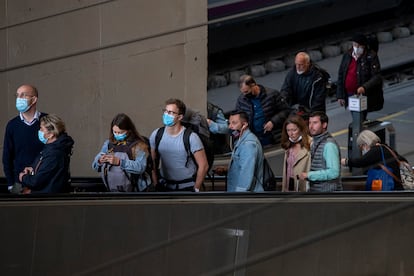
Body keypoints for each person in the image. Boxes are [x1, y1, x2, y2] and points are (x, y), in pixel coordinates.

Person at [150, 98, 209, 192]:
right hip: (164, 186)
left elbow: (204, 165)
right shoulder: (156, 135)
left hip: (187, 187)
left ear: (180, 117)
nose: (166, 114)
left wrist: (196, 188)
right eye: (165, 111)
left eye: (171, 112)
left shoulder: (191, 137)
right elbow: (152, 163)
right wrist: (156, 183)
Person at [2, 84, 47, 194]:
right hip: (19, 182)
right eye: (17, 95)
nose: (19, 98)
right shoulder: (12, 125)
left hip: (43, 181)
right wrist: (11, 184)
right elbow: (7, 157)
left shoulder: (47, 122)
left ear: (34, 99)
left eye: (23, 95)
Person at [92, 113, 151, 192]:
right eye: (114, 132)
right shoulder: (108, 144)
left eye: (120, 132)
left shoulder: (139, 145)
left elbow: (140, 167)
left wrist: (120, 162)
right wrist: (99, 160)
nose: (117, 135)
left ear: (128, 131)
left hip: (135, 191)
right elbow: (95, 166)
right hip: (112, 190)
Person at [18, 114, 74, 194]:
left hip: (47, 199)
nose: (39, 131)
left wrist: (23, 177)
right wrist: (33, 169)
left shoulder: (54, 154)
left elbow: (37, 181)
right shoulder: (50, 149)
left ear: (51, 134)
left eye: (41, 129)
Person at [336, 33, 383, 121]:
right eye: (354, 45)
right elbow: (341, 75)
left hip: (361, 95)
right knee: (357, 118)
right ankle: (360, 130)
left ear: (364, 46)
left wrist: (364, 87)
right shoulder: (347, 55)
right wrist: (340, 95)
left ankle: (360, 132)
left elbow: (377, 77)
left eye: (359, 45)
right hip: (349, 93)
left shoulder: (370, 56)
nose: (356, 47)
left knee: (359, 119)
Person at [341, 130, 406, 190]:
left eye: (361, 147)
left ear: (365, 144)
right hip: (397, 186)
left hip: (390, 188)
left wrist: (346, 161)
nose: (362, 150)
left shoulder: (375, 151)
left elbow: (361, 161)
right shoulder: (386, 148)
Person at [235, 74, 290, 146]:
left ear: (253, 85)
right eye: (242, 92)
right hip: (255, 139)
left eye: (246, 91)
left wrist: (273, 122)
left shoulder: (272, 94)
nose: (244, 94)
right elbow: (239, 117)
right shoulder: (241, 100)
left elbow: (286, 111)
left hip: (274, 136)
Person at [299, 111, 342, 192]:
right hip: (317, 191)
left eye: (315, 123)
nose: (311, 126)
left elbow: (333, 172)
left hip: (328, 194)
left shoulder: (329, 145)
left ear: (324, 125)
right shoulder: (314, 142)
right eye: (310, 123)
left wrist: (309, 175)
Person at [225, 111, 264, 192]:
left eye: (234, 123)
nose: (230, 126)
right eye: (229, 123)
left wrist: (240, 195)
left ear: (245, 124)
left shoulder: (248, 144)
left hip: (244, 196)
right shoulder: (241, 140)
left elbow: (246, 171)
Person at [280, 115, 312, 192]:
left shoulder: (310, 144)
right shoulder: (288, 145)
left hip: (303, 186)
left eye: (294, 130)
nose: (291, 133)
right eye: (288, 130)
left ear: (301, 129)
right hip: (289, 185)